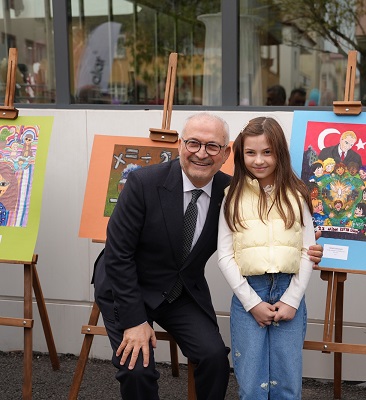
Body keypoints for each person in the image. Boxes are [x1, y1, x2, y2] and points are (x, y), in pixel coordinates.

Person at [93, 112, 324, 400]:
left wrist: (303, 246)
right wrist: (134, 321)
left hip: (179, 292)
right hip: (126, 288)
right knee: (137, 370)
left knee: (214, 358)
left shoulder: (231, 192)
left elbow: (261, 229)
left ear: (226, 153)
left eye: (212, 146)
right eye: (193, 143)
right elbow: (118, 255)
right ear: (180, 145)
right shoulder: (143, 182)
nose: (201, 153)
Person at [217, 116, 315, 399]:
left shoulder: (297, 195)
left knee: (287, 381)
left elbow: (307, 250)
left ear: (279, 153)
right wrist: (252, 303)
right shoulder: (232, 197)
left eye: (267, 152)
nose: (258, 160)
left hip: (288, 290)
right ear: (241, 154)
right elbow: (225, 255)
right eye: (251, 152)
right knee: (251, 382)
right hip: (249, 293)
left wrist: (292, 299)